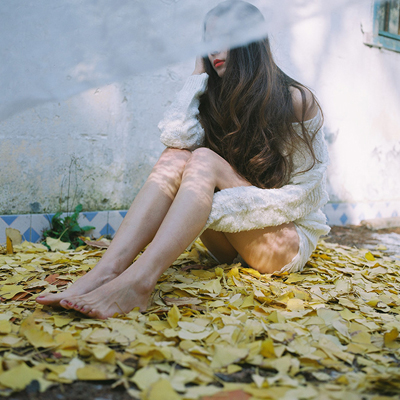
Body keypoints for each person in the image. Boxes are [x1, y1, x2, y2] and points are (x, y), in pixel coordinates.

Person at [36, 0, 330, 319]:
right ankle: (106, 271)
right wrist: (196, 77)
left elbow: (307, 193)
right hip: (231, 237)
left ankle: (139, 281)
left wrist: (217, 205)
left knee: (203, 159)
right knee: (178, 155)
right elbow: (176, 139)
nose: (213, 50)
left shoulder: (295, 99)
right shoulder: (214, 97)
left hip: (283, 241)